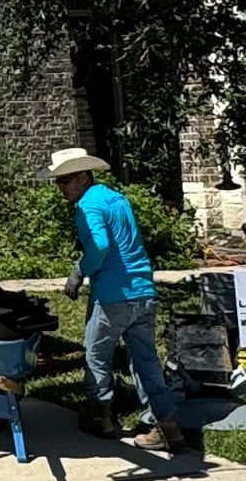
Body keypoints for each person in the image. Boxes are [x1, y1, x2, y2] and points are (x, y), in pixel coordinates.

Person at [46, 146, 188, 452]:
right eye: (57, 181)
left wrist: (78, 271)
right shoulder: (116, 198)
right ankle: (166, 425)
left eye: (65, 180)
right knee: (145, 360)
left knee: (97, 354)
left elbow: (99, 245)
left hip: (113, 296)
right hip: (143, 291)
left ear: (83, 176)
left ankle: (100, 416)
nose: (60, 187)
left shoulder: (88, 206)